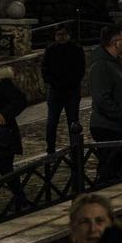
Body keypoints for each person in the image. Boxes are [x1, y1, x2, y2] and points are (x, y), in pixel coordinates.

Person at [88, 25, 122, 182]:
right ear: (114, 42)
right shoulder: (101, 65)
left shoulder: (114, 63)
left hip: (117, 126)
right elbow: (102, 98)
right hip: (108, 127)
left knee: (119, 170)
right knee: (110, 171)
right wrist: (121, 116)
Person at [41, 25, 86, 154]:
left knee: (73, 122)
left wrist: (70, 83)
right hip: (55, 91)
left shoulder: (76, 50)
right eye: (58, 34)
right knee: (51, 122)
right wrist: (53, 82)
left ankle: (75, 148)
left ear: (68, 35)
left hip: (71, 91)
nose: (61, 37)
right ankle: (50, 148)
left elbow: (80, 70)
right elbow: (45, 69)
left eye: (63, 34)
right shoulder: (50, 50)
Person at [0, 55, 27, 193]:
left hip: (0, 136)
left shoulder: (0, 82)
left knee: (6, 172)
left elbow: (20, 100)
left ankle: (20, 200)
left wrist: (4, 114)